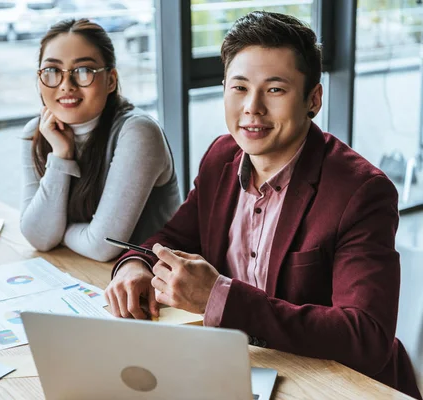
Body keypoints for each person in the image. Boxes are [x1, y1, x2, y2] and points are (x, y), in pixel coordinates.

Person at [105, 11, 421, 399]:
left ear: (313, 99)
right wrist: (135, 264)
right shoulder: (221, 156)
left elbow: (365, 337)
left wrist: (221, 298)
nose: (252, 108)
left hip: (335, 385)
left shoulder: (361, 191)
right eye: (239, 87)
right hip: (241, 370)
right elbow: (171, 237)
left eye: (275, 90)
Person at [19, 19, 181, 262]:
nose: (66, 85)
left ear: (111, 80)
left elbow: (102, 247)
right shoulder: (37, 132)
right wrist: (61, 154)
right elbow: (39, 239)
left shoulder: (138, 132)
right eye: (52, 71)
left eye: (83, 71)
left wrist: (59, 231)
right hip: (85, 276)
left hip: (155, 284)